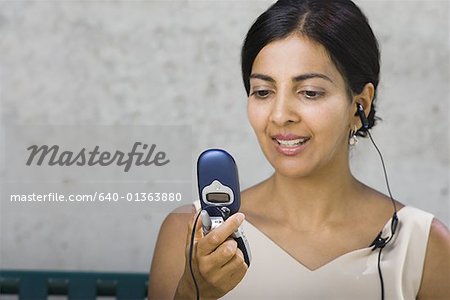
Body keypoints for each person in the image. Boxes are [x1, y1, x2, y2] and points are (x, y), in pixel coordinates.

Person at [148, 0, 450, 299]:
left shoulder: (424, 245)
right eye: (263, 92)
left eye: (309, 92)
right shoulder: (190, 234)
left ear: (360, 105)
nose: (280, 115)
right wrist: (191, 291)